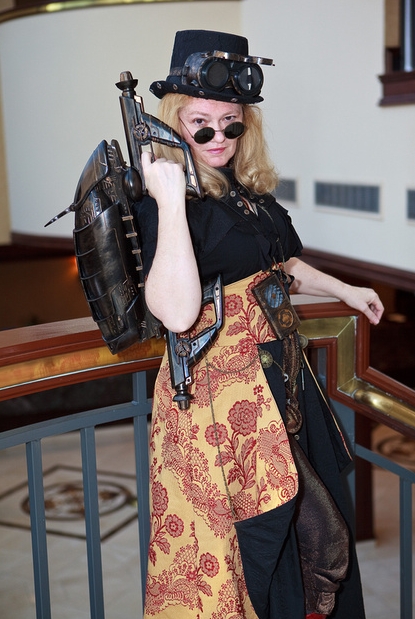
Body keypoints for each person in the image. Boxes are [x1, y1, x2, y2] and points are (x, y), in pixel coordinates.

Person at [133, 29, 384, 619]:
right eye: (201, 124)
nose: (218, 137)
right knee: (250, 549)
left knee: (315, 531)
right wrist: (168, 200)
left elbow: (280, 264)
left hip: (279, 379)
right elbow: (176, 312)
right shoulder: (161, 203)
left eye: (231, 124)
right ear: (173, 122)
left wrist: (346, 290)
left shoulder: (245, 193)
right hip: (217, 403)